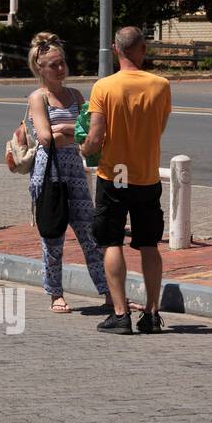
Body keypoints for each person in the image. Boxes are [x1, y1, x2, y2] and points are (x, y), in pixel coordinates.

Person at [81, 26, 172, 334]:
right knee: (149, 244)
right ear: (142, 49)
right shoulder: (161, 86)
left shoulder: (104, 87)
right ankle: (152, 312)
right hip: (146, 174)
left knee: (111, 241)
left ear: (115, 49)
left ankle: (121, 313)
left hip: (115, 173)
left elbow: (94, 138)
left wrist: (84, 149)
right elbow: (158, 128)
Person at [24, 33, 112, 313]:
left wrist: (63, 130)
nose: (60, 69)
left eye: (62, 63)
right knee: (53, 236)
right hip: (49, 172)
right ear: (40, 68)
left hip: (75, 169)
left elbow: (89, 132)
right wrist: (65, 132)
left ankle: (110, 292)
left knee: (91, 233)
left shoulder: (75, 95)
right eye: (53, 65)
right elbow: (45, 138)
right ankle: (55, 293)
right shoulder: (38, 98)